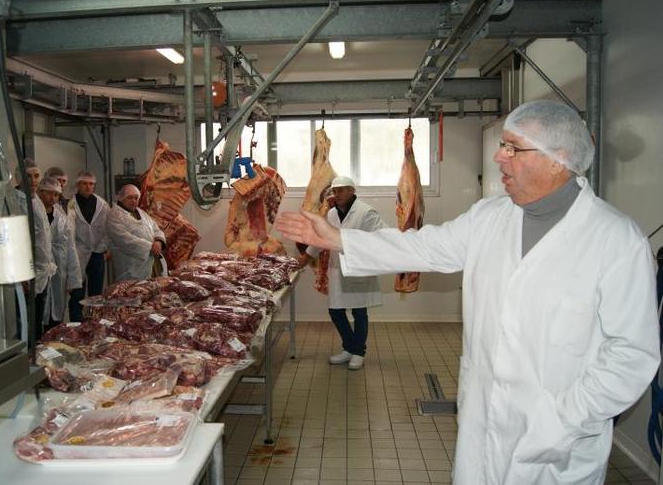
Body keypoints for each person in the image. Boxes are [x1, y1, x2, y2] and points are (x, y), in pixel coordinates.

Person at [275, 100, 660, 485]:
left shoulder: (616, 241)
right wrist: (338, 239)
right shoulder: (489, 218)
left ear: (557, 159)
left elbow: (631, 355)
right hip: (481, 428)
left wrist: (563, 420)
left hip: (558, 443)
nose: (498, 156)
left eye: (512, 147)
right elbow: (422, 247)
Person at [298, 175, 385, 370]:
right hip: (337, 270)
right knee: (336, 312)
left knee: (359, 312)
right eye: (334, 191)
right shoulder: (331, 215)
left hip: (359, 270)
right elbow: (321, 239)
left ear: (352, 191)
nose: (336, 194)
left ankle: (358, 352)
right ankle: (349, 348)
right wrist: (304, 259)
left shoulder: (366, 212)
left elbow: (382, 237)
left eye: (340, 190)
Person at [16, 159, 57, 340]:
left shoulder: (36, 200)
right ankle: (26, 360)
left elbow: (43, 237)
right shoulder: (15, 201)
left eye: (36, 176)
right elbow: (16, 241)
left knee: (38, 319)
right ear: (18, 178)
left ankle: (37, 359)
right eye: (28, 176)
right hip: (27, 273)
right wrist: (22, 273)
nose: (33, 180)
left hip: (43, 271)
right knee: (26, 322)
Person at [37, 177, 82, 328]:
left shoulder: (62, 218)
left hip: (58, 269)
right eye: (48, 193)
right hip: (38, 270)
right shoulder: (33, 214)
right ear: (40, 192)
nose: (52, 198)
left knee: (56, 311)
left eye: (56, 194)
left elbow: (71, 248)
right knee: (38, 310)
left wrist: (73, 279)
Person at [67, 170, 109, 321]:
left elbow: (107, 229)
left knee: (96, 293)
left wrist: (103, 247)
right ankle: (76, 324)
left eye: (91, 184)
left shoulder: (102, 204)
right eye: (84, 184)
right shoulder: (70, 204)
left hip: (97, 252)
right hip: (78, 252)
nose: (88, 187)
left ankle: (94, 322)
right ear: (78, 185)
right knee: (78, 292)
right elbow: (68, 230)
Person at [106, 184, 166, 282]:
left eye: (136, 198)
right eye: (129, 198)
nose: (134, 201)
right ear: (121, 198)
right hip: (130, 268)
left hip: (150, 265)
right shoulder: (114, 216)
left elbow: (156, 229)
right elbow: (124, 240)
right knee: (130, 295)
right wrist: (150, 246)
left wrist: (159, 242)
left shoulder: (141, 212)